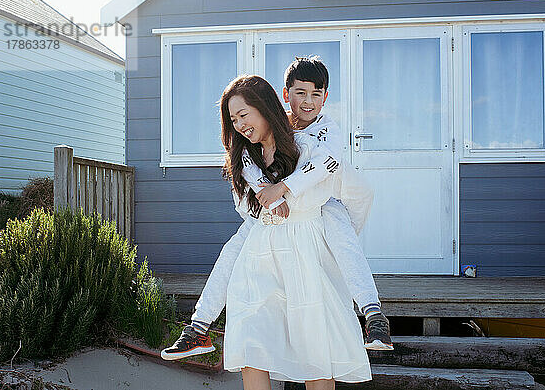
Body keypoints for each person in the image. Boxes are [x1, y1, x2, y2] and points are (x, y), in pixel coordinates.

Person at [161, 57, 392, 362]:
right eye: (299, 93)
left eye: (315, 94)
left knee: (343, 239)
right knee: (231, 251)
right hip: (284, 216)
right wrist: (267, 197)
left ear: (325, 97)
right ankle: (198, 327)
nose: (306, 102)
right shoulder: (270, 130)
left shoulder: (325, 132)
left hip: (334, 201)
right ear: (285, 96)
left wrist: (283, 189)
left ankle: (374, 316)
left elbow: (327, 163)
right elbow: (249, 174)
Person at [227, 75, 371, 388]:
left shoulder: (312, 146)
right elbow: (246, 209)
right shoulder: (246, 158)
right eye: (233, 118)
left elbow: (358, 192)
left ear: (266, 108)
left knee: (314, 348)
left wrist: (339, 236)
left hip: (305, 251)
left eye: (243, 115)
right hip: (261, 254)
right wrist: (266, 195)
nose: (238, 124)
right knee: (252, 340)